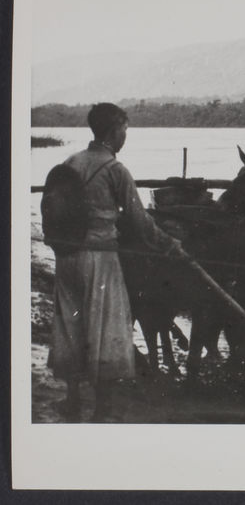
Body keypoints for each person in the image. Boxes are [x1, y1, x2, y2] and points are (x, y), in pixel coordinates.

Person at [47, 102, 186, 422]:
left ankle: (71, 399)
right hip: (100, 258)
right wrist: (170, 244)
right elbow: (139, 221)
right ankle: (101, 409)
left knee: (71, 323)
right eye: (124, 129)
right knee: (104, 327)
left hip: (66, 256)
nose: (125, 135)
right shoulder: (115, 170)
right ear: (113, 130)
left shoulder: (71, 161)